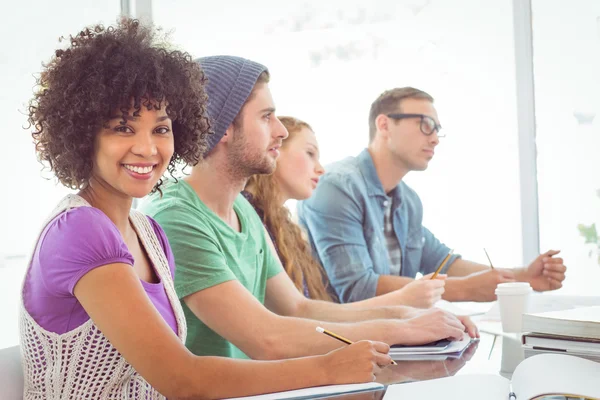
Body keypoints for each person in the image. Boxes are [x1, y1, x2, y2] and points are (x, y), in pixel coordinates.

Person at [20, 20, 393, 399]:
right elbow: (184, 380)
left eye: (161, 129)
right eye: (123, 128)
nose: (148, 149)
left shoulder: (149, 233)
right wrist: (328, 368)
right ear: (84, 135)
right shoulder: (79, 229)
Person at [140, 56, 478, 363]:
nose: (281, 131)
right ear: (223, 127)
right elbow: (266, 338)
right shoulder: (176, 217)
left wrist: (407, 316)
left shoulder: (242, 211)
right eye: (266, 117)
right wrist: (403, 331)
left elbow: (298, 308)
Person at [297, 87, 567, 303]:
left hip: (387, 339)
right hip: (336, 347)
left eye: (437, 129)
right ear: (384, 125)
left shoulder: (408, 201)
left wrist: (524, 277)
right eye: (425, 124)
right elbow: (357, 288)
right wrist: (463, 290)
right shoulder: (336, 186)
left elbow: (441, 262)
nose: (435, 138)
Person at [243, 116, 445, 308]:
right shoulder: (250, 218)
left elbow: (306, 315)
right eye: (310, 153)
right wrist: (403, 300)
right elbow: (299, 315)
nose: (321, 169)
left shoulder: (282, 227)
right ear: (275, 149)